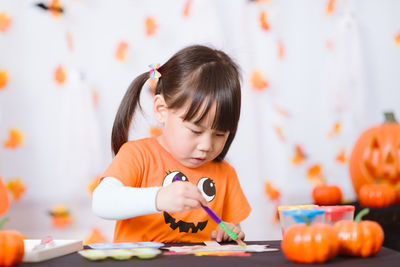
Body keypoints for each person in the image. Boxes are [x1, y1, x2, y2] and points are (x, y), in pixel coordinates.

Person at [92, 45, 251, 243]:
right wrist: (158, 198)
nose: (207, 146)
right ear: (161, 109)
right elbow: (101, 201)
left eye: (220, 134)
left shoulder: (225, 173)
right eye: (196, 131)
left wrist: (230, 230)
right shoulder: (138, 155)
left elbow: (230, 224)